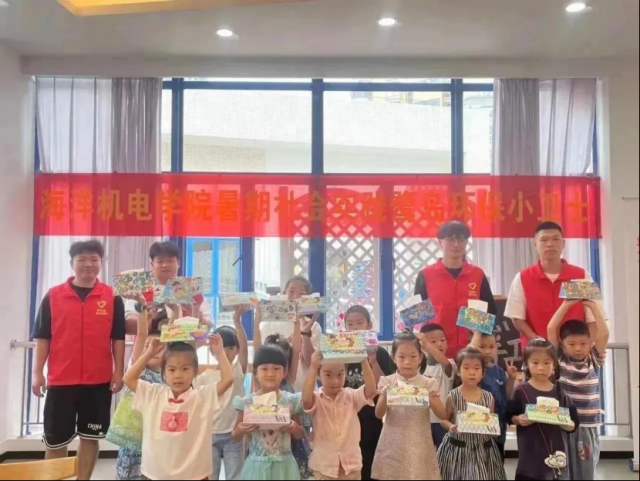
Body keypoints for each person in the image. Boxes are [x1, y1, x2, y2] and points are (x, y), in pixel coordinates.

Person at [31, 240, 126, 481]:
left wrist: (118, 371)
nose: (88, 264)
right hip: (60, 381)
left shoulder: (112, 297)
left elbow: (117, 338)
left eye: (94, 259)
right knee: (56, 441)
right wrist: (37, 373)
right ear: (71, 263)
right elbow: (42, 338)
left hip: (98, 382)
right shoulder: (53, 296)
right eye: (81, 259)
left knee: (90, 438)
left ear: (101, 263)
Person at [124, 335, 233, 480]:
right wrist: (149, 353)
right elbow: (128, 379)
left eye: (185, 369)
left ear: (195, 371)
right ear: (164, 373)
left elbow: (228, 379)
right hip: (157, 474)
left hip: (194, 475)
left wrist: (220, 352)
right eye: (171, 370)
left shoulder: (202, 396)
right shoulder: (153, 393)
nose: (178, 375)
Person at [506, 221, 605, 351]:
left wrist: (588, 347)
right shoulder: (523, 277)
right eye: (544, 240)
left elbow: (593, 317)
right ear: (535, 244)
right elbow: (517, 318)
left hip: (575, 352)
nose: (550, 244)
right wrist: (539, 342)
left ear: (563, 243)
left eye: (555, 239)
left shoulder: (581, 275)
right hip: (537, 353)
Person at [414, 221, 497, 358]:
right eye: (450, 239)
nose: (456, 244)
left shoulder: (477, 274)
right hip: (437, 352)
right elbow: (417, 317)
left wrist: (476, 339)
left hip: (471, 351)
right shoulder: (426, 275)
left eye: (461, 239)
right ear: (440, 242)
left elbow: (490, 311)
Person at [372, 331, 447, 481]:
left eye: (413, 357)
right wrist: (385, 395)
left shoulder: (428, 383)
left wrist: (428, 396)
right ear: (393, 358)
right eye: (402, 357)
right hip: (393, 442)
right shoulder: (388, 381)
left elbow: (443, 414)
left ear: (420, 358)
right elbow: (378, 414)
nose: (407, 362)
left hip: (419, 442)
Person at [548, 300, 610, 481]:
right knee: (562, 469)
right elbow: (551, 328)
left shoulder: (593, 360)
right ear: (563, 344)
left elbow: (604, 333)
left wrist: (593, 306)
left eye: (583, 343)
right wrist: (567, 304)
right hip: (562, 423)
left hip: (587, 425)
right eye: (572, 343)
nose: (578, 348)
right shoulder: (559, 359)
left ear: (590, 343)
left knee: (586, 470)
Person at [108, 293, 165, 480]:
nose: (154, 349)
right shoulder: (137, 370)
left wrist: (176, 309)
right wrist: (142, 307)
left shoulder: (168, 377)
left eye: (160, 347)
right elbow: (141, 335)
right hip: (132, 439)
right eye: (149, 346)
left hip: (156, 439)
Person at [507, 339, 579, 481]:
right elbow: (509, 415)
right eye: (535, 363)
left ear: (554, 365)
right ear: (527, 364)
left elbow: (574, 421)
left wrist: (568, 425)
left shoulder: (560, 392)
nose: (541, 368)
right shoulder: (521, 391)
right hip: (530, 457)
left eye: (546, 363)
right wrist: (518, 419)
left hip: (557, 456)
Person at [232, 345, 307, 481]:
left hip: (285, 467)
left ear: (285, 371)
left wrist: (294, 428)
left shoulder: (290, 400)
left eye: (276, 369)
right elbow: (234, 436)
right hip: (256, 467)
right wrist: (240, 430)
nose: (270, 373)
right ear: (255, 371)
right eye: (264, 369)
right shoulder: (247, 402)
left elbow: (300, 433)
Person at [302, 351, 377, 481]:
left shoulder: (351, 396)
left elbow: (371, 391)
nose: (335, 381)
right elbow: (306, 400)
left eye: (340, 374)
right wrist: (313, 367)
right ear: (319, 375)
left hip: (351, 467)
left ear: (346, 373)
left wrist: (363, 359)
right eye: (328, 375)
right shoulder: (316, 399)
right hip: (325, 468)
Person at [343, 306, 396, 481]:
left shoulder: (379, 352)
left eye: (359, 323)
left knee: (370, 462)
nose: (355, 328)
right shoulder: (342, 352)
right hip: (347, 416)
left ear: (369, 325)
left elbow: (385, 385)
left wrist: (372, 360)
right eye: (350, 324)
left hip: (371, 417)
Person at [437, 348, 506, 481]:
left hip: (483, 451)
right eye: (466, 368)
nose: (472, 372)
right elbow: (444, 420)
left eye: (476, 368)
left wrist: (493, 430)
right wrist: (452, 427)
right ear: (458, 371)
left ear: (483, 373)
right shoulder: (453, 396)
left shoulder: (488, 397)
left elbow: (490, 422)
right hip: (457, 449)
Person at [198, 307, 249, 481]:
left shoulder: (238, 371)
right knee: (210, 475)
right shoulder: (204, 377)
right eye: (222, 348)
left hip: (234, 433)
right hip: (209, 434)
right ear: (212, 350)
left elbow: (245, 348)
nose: (226, 352)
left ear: (237, 350)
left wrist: (237, 322)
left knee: (235, 475)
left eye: (231, 348)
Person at [124, 241, 212, 334]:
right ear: (152, 264)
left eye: (170, 261)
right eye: (160, 261)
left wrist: (195, 313)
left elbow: (207, 326)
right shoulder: (140, 287)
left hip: (185, 342)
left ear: (178, 263)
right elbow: (128, 327)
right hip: (149, 342)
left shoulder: (190, 288)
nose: (165, 265)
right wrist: (148, 315)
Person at [259, 276, 323, 392]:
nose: (295, 297)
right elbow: (262, 358)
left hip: (306, 391)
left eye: (301, 293)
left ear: (308, 298)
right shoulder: (269, 325)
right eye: (291, 291)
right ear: (284, 294)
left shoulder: (314, 326)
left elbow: (311, 362)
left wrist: (305, 332)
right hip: (277, 392)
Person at [469, 331, 519, 459]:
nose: (487, 351)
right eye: (482, 346)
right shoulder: (470, 372)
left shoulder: (499, 372)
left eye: (491, 347)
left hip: (497, 428)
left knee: (496, 463)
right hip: (474, 428)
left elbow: (506, 396)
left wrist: (511, 379)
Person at [418, 323, 458, 448]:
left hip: (443, 421)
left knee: (444, 454)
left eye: (442, 340)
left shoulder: (450, 364)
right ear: (422, 346)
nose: (440, 344)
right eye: (433, 341)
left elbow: (444, 363)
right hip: (423, 421)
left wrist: (427, 343)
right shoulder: (418, 367)